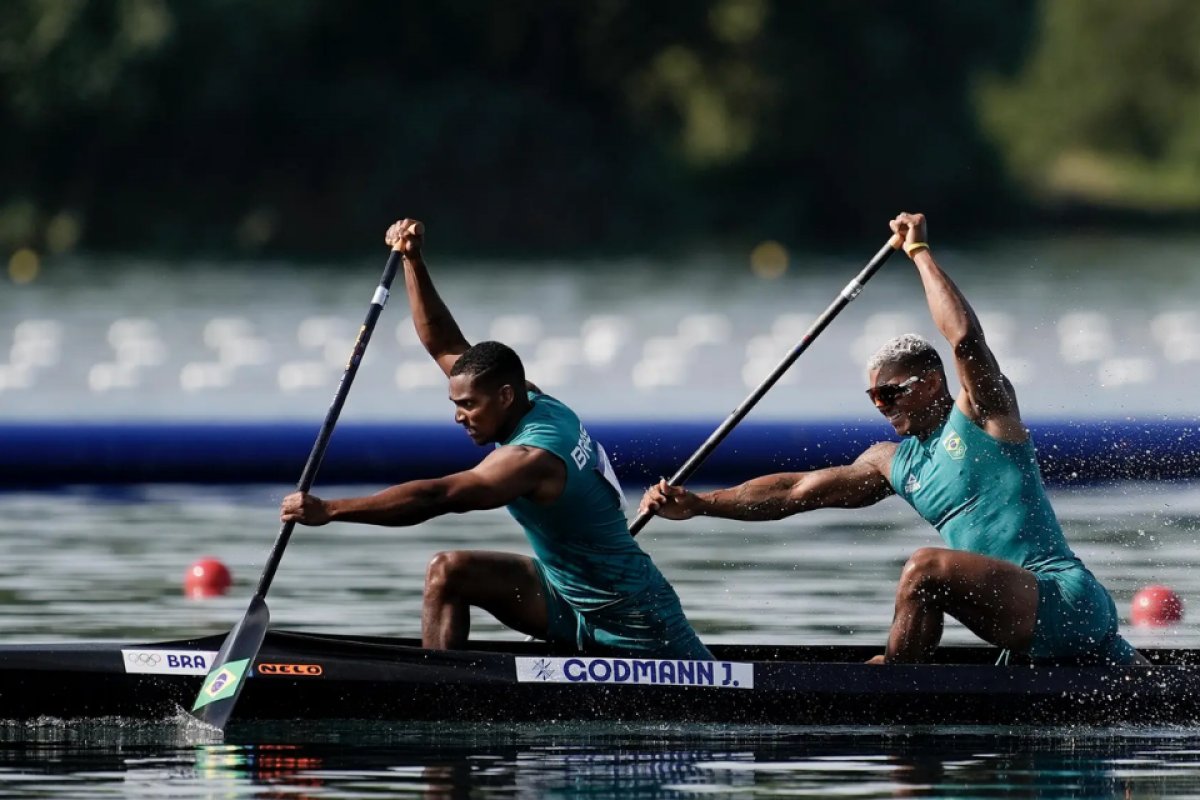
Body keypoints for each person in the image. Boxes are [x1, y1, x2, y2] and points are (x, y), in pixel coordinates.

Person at [639, 212, 1143, 666]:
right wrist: (702, 504)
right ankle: (903, 682)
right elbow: (793, 493)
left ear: (928, 383)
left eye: (889, 394)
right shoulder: (893, 463)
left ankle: (895, 689)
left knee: (925, 568)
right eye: (873, 398)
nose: (882, 408)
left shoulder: (986, 417)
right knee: (927, 581)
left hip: (1064, 600)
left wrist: (919, 253)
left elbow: (965, 339)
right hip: (1021, 628)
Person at [281, 218, 711, 661]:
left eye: (468, 406)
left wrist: (331, 509)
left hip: (635, 618)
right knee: (448, 572)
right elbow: (444, 342)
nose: (458, 417)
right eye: (457, 403)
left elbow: (440, 495)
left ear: (505, 396)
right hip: (564, 597)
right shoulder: (529, 399)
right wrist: (413, 260)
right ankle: (441, 693)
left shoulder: (532, 458)